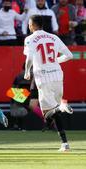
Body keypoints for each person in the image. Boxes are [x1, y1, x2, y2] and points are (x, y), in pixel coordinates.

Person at [23, 15, 74, 152]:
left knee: (47, 113)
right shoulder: (54, 37)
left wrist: (27, 71)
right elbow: (69, 55)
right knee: (55, 112)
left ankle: (62, 107)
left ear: (33, 25)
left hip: (43, 76)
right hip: (57, 75)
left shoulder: (30, 39)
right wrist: (55, 61)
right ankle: (65, 144)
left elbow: (29, 58)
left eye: (29, 23)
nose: (28, 26)